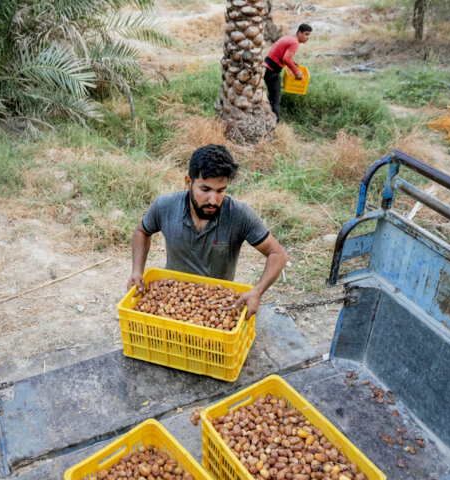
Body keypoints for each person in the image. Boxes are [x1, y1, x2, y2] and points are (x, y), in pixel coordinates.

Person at [127, 144, 288, 317]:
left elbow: (277, 254)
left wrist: (257, 291)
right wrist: (137, 270)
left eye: (221, 190)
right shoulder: (165, 206)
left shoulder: (240, 215)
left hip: (217, 304)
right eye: (205, 189)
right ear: (188, 182)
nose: (213, 200)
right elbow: (142, 232)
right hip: (172, 293)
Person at [263, 23, 312, 123]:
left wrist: (293, 62)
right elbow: (286, 58)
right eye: (306, 34)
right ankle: (275, 125)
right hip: (272, 71)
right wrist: (296, 71)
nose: (308, 37)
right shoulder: (295, 43)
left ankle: (267, 119)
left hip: (267, 66)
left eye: (309, 35)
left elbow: (283, 54)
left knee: (271, 97)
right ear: (299, 33)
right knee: (276, 101)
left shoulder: (291, 37)